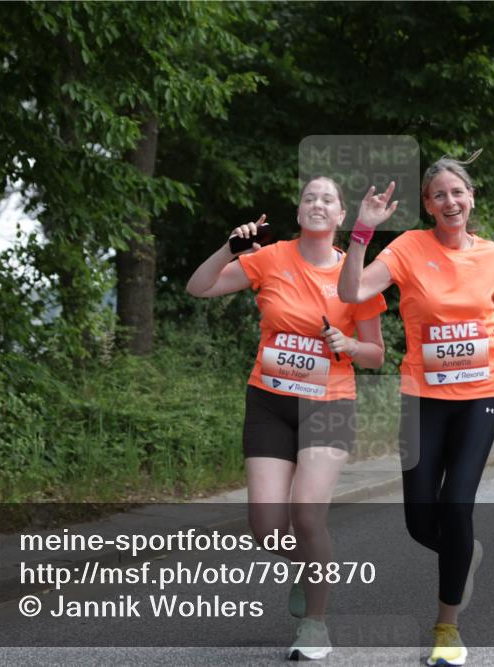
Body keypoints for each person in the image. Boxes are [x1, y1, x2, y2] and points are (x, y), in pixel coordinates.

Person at [338, 152, 494, 666]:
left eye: (457, 192)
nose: (450, 200)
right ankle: (463, 553)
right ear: (428, 205)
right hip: (423, 399)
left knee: (457, 503)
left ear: (471, 197)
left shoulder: (493, 256)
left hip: (480, 396)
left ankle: (446, 628)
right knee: (420, 521)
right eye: (439, 194)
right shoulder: (408, 248)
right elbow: (351, 291)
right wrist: (362, 232)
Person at [186, 177, 387, 660]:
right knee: (266, 527)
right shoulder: (270, 257)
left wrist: (349, 345)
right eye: (308, 197)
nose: (316, 204)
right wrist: (229, 249)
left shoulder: (356, 275)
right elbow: (199, 288)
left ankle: (315, 625)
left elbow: (376, 354)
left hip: (329, 403)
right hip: (269, 403)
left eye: (327, 199)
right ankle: (307, 567)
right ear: (299, 211)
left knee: (307, 513)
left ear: (340, 217)